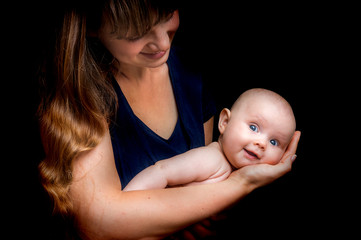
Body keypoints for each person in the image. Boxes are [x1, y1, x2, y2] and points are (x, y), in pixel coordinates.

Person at [37, 0, 301, 239]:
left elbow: (197, 188)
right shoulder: (79, 93)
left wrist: (199, 212)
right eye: (137, 32)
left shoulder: (190, 72)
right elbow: (99, 224)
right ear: (93, 28)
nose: (163, 43)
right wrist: (240, 184)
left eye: (166, 15)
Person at [124, 88, 297, 191]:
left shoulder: (250, 177)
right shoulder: (210, 159)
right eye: (253, 128)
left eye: (274, 142)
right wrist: (129, 202)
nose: (262, 143)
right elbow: (162, 171)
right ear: (225, 122)